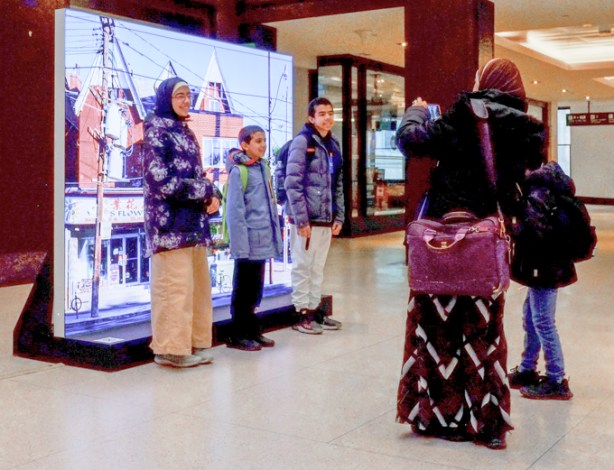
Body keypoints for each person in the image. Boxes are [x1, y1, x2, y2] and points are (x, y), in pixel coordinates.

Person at [395, 58, 546, 449]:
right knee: (485, 333)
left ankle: (435, 415)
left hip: (445, 237)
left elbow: (412, 142)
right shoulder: (527, 129)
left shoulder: (467, 113)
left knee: (435, 329)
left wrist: (414, 111)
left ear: (484, 82)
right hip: (486, 240)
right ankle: (487, 423)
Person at [143, 77, 215, 368]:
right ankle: (170, 349)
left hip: (193, 225)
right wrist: (204, 190)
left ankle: (190, 343)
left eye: (188, 95)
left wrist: (212, 193)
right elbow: (159, 181)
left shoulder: (184, 131)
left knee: (195, 290)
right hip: (169, 227)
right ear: (166, 99)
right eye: (179, 96)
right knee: (174, 289)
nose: (186, 100)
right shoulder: (156, 131)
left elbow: (196, 176)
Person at [507, 161, 580, 400]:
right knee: (531, 318)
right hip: (549, 265)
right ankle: (527, 368)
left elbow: (537, 232)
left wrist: (515, 229)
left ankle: (556, 379)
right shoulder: (549, 184)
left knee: (542, 322)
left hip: (545, 266)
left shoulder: (537, 191)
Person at [284, 97, 345, 334]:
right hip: (307, 220)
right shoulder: (302, 142)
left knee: (318, 267)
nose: (327, 117)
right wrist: (301, 219)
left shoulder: (333, 145)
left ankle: (315, 311)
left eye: (330, 113)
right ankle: (302, 313)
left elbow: (338, 184)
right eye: (322, 114)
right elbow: (293, 183)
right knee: (302, 266)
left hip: (325, 219)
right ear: (311, 118)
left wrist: (338, 217)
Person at [224, 125, 282, 351]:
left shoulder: (263, 167)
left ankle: (252, 330)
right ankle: (237, 334)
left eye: (264, 140)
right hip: (247, 241)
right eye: (257, 141)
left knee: (256, 289)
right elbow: (235, 212)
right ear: (245, 145)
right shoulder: (239, 172)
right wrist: (240, 246)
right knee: (243, 289)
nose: (263, 145)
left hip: (262, 239)